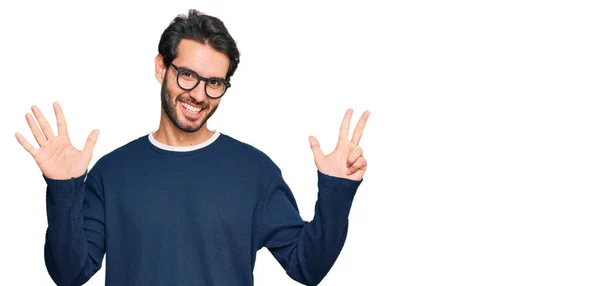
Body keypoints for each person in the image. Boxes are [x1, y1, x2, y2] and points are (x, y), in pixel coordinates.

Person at [15, 9, 369, 286]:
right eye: (188, 75)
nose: (199, 95)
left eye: (215, 83)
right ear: (161, 67)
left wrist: (337, 193)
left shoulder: (254, 172)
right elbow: (68, 273)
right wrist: (63, 189)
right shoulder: (112, 173)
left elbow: (307, 266)